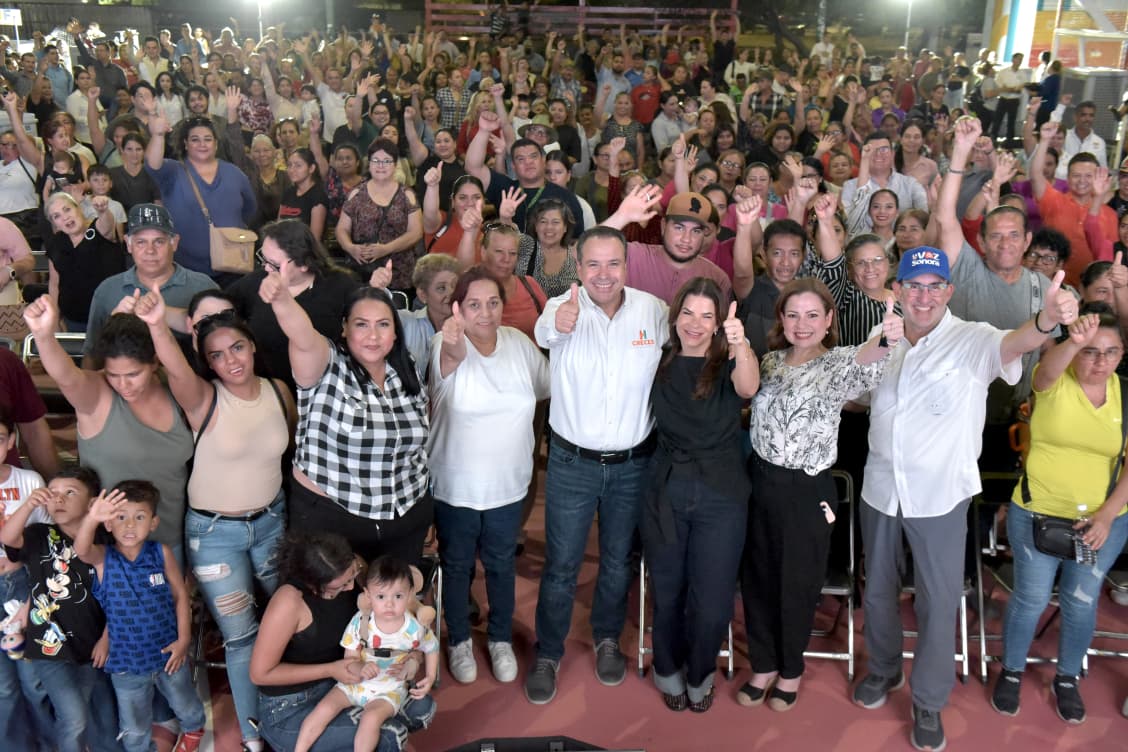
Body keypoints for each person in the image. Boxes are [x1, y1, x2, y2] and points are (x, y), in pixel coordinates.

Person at [851, 246, 1079, 752]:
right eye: (914, 286)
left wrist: (1046, 320)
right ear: (897, 291)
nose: (923, 297)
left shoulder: (973, 339)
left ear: (949, 291)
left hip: (941, 498)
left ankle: (928, 700)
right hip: (881, 491)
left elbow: (1017, 341)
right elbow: (854, 389)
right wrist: (869, 354)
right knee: (879, 591)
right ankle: (884, 669)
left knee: (937, 601)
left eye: (934, 286)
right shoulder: (882, 337)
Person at [133, 283, 293, 749]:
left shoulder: (279, 392)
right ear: (208, 363)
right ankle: (253, 735)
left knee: (290, 620)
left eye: (237, 347)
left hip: (272, 521)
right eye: (217, 356)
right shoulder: (204, 397)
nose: (231, 361)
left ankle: (292, 715)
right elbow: (175, 367)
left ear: (252, 345)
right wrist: (157, 325)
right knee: (241, 637)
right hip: (215, 535)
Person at [739, 278, 900, 711]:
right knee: (757, 579)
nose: (802, 323)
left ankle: (790, 670)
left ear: (829, 320)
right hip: (760, 483)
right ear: (781, 319)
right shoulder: (769, 362)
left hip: (807, 490)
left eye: (813, 315)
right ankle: (763, 664)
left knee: (797, 583)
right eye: (793, 314)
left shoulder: (837, 363)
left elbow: (867, 359)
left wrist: (886, 336)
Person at [525, 227, 668, 704]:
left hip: (634, 464)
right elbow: (547, 333)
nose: (603, 275)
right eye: (593, 265)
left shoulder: (654, 311)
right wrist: (560, 321)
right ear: (578, 267)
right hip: (572, 464)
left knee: (617, 561)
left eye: (613, 264)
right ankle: (548, 652)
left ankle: (607, 637)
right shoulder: (559, 309)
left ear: (627, 266)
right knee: (562, 565)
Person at [990, 309, 1128, 724]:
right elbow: (1048, 369)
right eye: (1090, 351)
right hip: (1038, 514)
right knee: (1031, 599)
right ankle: (1012, 671)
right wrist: (1072, 340)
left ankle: (1067, 678)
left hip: (1102, 522)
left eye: (1111, 352)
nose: (1100, 361)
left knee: (1080, 601)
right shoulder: (1053, 382)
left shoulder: (1125, 394)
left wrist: (1107, 516)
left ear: (1122, 353)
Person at [642, 277, 759, 713]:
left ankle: (700, 672)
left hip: (721, 491)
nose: (695, 323)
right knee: (668, 590)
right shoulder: (658, 360)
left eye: (707, 316)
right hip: (666, 486)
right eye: (688, 313)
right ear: (675, 317)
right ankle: (667, 669)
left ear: (718, 323)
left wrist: (740, 344)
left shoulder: (729, 359)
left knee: (711, 600)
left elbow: (748, 388)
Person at [429, 266, 549, 684]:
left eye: (493, 303)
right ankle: (459, 640)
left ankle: (499, 638)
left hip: (507, 486)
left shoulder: (518, 343)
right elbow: (451, 359)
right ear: (458, 310)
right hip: (455, 486)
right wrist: (453, 339)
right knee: (457, 565)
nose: (485, 313)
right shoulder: (444, 344)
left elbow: (549, 386)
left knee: (501, 564)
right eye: (474, 305)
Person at [261, 276, 431, 565]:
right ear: (344, 328)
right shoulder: (326, 364)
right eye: (361, 324)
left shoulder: (405, 368)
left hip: (405, 513)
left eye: (383, 324)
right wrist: (282, 301)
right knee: (330, 594)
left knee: (399, 594)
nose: (373, 336)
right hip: (333, 517)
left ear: (395, 332)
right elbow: (302, 337)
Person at [250, 531, 436, 752]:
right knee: (390, 736)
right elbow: (260, 674)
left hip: (349, 681)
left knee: (422, 708)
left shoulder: (354, 568)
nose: (351, 586)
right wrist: (330, 669)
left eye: (352, 577)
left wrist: (414, 658)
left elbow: (403, 614)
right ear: (315, 585)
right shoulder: (289, 601)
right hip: (291, 706)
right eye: (340, 585)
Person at [72, 481, 205, 752]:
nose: (130, 525)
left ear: (153, 522)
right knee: (134, 724)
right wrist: (91, 519)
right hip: (126, 662)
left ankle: (194, 729)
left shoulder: (161, 553)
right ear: (109, 523)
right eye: (121, 517)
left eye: (140, 517)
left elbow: (180, 596)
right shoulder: (104, 558)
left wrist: (183, 641)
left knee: (185, 703)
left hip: (169, 654)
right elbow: (82, 550)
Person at [0, 467, 122, 752]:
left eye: (70, 492)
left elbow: (116, 596)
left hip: (90, 644)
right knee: (74, 717)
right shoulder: (39, 534)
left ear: (91, 503)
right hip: (48, 646)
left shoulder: (104, 541)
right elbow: (8, 538)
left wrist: (106, 638)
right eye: (53, 493)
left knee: (88, 708)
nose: (59, 499)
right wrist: (28, 505)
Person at [295, 555, 438, 752]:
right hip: (354, 683)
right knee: (324, 708)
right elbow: (349, 659)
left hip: (388, 689)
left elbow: (431, 647)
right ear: (368, 595)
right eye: (381, 597)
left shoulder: (414, 628)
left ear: (410, 594)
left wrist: (430, 676)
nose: (389, 604)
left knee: (370, 719)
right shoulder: (361, 622)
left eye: (398, 596)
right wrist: (360, 667)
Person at [83, 203, 217, 364]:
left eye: (159, 241)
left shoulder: (203, 286)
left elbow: (222, 344)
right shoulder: (107, 290)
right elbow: (92, 353)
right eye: (141, 242)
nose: (150, 250)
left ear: (174, 243)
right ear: (128, 244)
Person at [145, 109, 257, 278]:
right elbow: (152, 165)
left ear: (216, 144)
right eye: (195, 139)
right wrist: (158, 135)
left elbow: (250, 210)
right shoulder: (173, 171)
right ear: (185, 144)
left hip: (234, 266)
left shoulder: (234, 173)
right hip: (186, 270)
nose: (202, 144)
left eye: (208, 139)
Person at [0, 406, 51, 748]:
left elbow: (49, 547)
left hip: (22, 583)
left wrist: (34, 596)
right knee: (3, 687)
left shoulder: (30, 482)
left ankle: (49, 743)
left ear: (11, 441)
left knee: (35, 682)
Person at [601, 188, 735, 303]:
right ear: (663, 226)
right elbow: (590, 250)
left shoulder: (717, 278)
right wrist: (621, 217)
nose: (686, 239)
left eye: (696, 231)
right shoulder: (635, 256)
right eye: (679, 228)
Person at [336, 138, 423, 294]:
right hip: (362, 271)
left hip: (398, 273)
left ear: (395, 165)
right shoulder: (356, 193)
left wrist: (386, 249)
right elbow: (341, 229)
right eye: (375, 160)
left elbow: (416, 232)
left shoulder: (407, 194)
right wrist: (351, 248)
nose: (380, 165)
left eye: (386, 161)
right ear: (369, 164)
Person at [43, 192, 127, 333]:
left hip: (111, 318)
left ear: (78, 208)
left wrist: (103, 211)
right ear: (54, 224)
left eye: (67, 209)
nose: (65, 217)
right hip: (73, 321)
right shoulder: (56, 243)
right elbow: (54, 283)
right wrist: (55, 318)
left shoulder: (97, 229)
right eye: (56, 216)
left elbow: (107, 225)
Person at [278, 148, 329, 241]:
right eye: (289, 165)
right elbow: (278, 225)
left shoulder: (318, 197)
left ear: (311, 168)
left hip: (304, 248)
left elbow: (314, 239)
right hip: (283, 245)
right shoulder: (288, 192)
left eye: (298, 165)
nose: (292, 170)